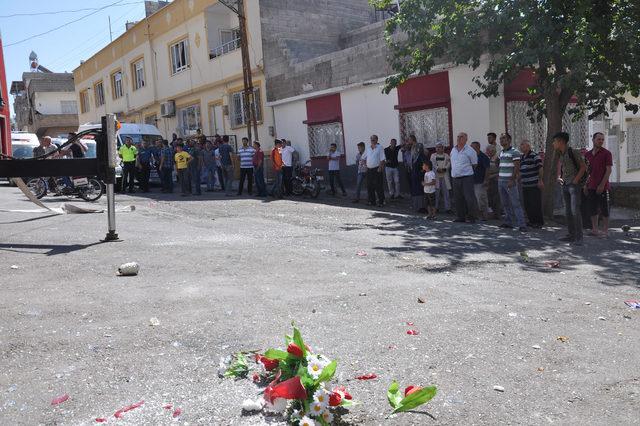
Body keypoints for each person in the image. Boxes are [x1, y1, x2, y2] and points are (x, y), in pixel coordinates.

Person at [554, 131, 587, 246]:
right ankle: (571, 235)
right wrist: (559, 176)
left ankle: (579, 238)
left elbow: (583, 167)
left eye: (555, 141)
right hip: (565, 184)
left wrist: (575, 180)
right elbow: (561, 166)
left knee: (575, 211)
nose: (553, 143)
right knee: (568, 212)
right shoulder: (560, 153)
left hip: (573, 185)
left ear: (561, 141)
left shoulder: (573, 152)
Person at [584, 132, 613, 237]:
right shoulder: (587, 155)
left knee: (604, 208)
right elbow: (587, 171)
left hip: (603, 186)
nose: (601, 141)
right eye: (599, 139)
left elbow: (608, 170)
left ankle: (605, 231)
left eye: (602, 139)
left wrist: (602, 185)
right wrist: (585, 184)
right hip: (591, 185)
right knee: (593, 208)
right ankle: (595, 230)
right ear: (593, 140)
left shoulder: (607, 153)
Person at [497, 133, 526, 232]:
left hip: (509, 181)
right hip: (501, 181)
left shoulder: (515, 152)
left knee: (515, 203)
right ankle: (508, 222)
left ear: (509, 140)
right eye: (500, 139)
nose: (501, 140)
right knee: (505, 203)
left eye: (504, 138)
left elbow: (517, 167)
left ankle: (522, 224)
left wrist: (512, 179)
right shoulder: (501, 152)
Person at [450, 132, 479, 223]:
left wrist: (465, 171)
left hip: (467, 177)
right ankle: (460, 217)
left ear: (466, 139)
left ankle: (472, 217)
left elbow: (474, 164)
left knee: (469, 198)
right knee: (458, 198)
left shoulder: (470, 150)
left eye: (461, 137)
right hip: (455, 177)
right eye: (458, 137)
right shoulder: (453, 150)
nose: (458, 138)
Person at [519, 140, 544, 228]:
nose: (521, 147)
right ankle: (531, 221)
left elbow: (540, 168)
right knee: (527, 204)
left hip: (534, 184)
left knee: (535, 204)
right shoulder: (522, 157)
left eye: (523, 145)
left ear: (528, 146)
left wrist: (540, 180)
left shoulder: (535, 156)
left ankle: (538, 222)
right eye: (521, 145)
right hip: (525, 185)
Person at [364, 134, 386, 207]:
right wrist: (365, 166)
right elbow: (363, 157)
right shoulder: (368, 148)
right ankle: (372, 201)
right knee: (369, 186)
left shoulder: (380, 147)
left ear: (377, 140)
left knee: (378, 186)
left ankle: (381, 202)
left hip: (377, 169)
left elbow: (382, 159)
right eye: (371, 140)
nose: (372, 141)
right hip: (369, 169)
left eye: (373, 140)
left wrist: (380, 167)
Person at [471, 141, 490, 221]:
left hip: (480, 181)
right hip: (472, 181)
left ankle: (484, 216)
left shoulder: (483, 157)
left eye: (473, 147)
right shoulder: (471, 157)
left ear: (477, 147)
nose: (471, 148)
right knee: (476, 199)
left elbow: (487, 169)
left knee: (481, 199)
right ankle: (477, 215)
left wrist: (486, 180)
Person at [430, 143, 451, 213]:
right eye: (437, 147)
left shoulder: (446, 155)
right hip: (436, 177)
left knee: (446, 193)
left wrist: (445, 169)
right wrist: (438, 168)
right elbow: (433, 163)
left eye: (440, 147)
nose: (438, 148)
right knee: (436, 194)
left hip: (444, 176)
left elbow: (449, 163)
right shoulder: (433, 155)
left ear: (443, 148)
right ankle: (436, 208)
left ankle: (448, 208)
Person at [408, 136, 426, 211]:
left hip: (420, 174)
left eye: (409, 140)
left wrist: (422, 171)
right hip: (414, 173)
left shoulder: (421, 153)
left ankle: (422, 206)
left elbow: (424, 163)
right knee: (415, 190)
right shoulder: (413, 152)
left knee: (420, 190)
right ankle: (417, 206)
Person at [485, 144, 501, 219]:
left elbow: (500, 171)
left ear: (492, 151)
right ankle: (490, 213)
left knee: (496, 198)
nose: (486, 152)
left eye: (488, 151)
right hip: (488, 180)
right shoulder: (487, 158)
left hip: (495, 180)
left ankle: (497, 214)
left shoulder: (497, 159)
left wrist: (492, 176)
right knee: (488, 198)